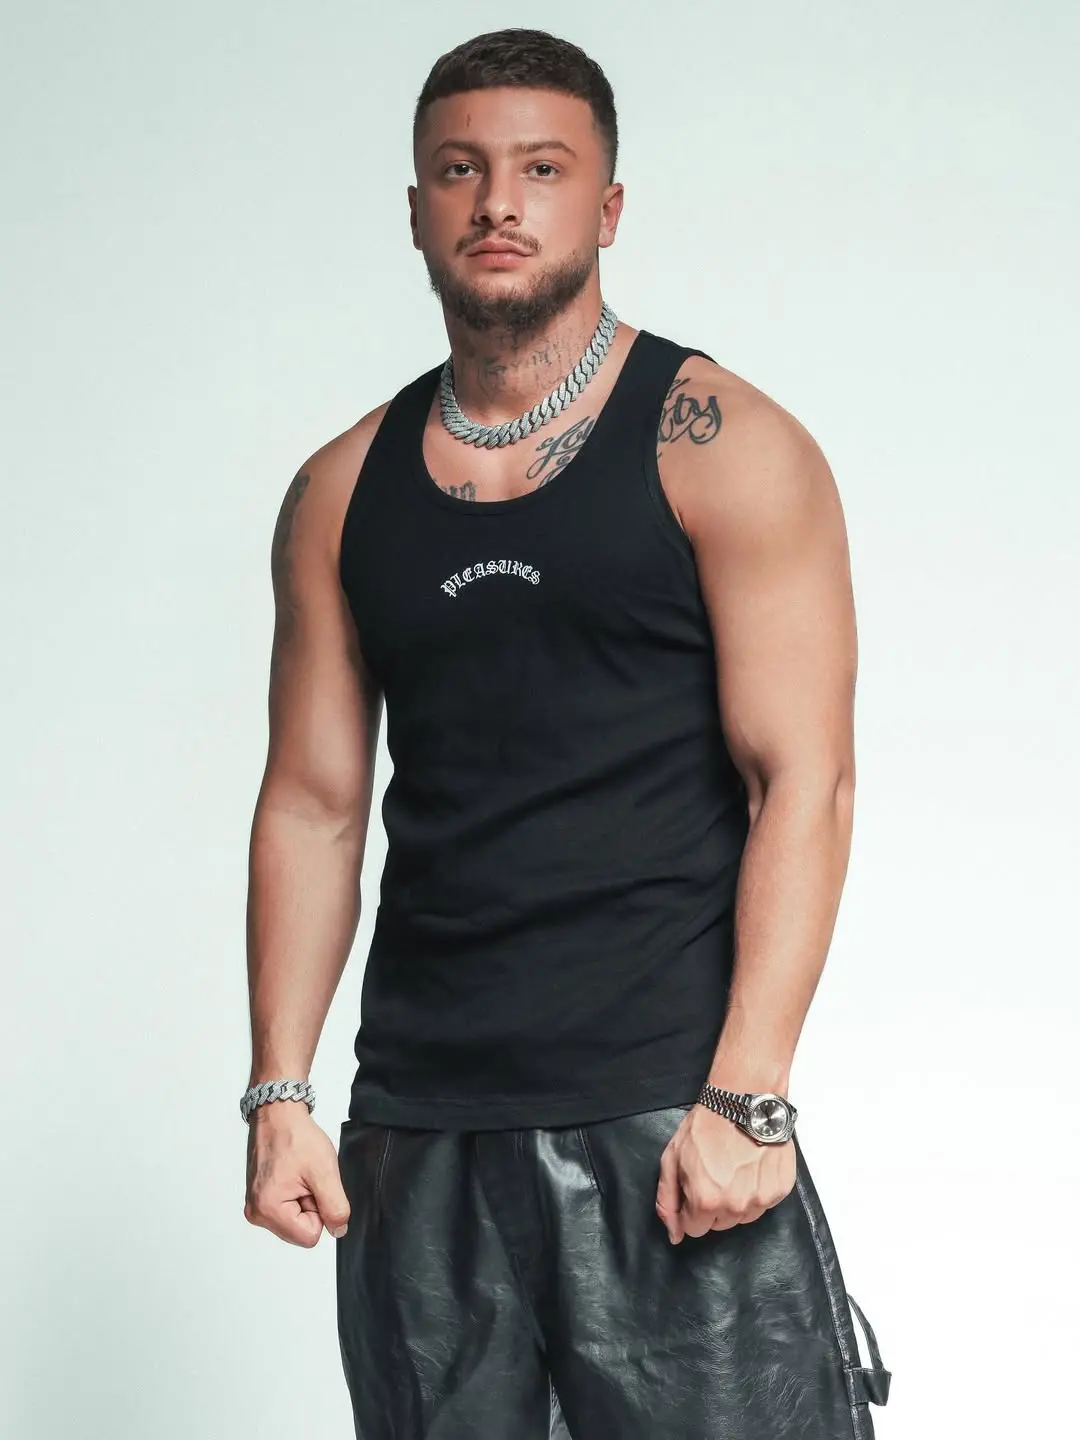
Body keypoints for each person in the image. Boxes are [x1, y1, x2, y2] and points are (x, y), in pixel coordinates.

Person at [240, 26, 893, 1440]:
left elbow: (806, 779)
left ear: (606, 206)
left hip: (665, 1117)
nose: (498, 202)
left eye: (542, 169)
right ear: (415, 206)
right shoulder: (341, 491)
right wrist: (280, 1090)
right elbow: (312, 802)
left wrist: (749, 1096)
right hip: (420, 1127)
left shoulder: (720, 443)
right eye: (459, 170)